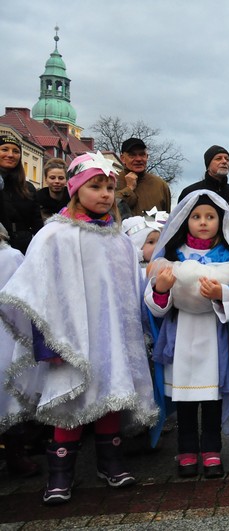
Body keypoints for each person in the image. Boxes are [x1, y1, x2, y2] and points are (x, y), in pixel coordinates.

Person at [0, 151, 158, 504]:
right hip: (68, 340)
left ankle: (111, 463)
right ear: (75, 190)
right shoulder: (55, 235)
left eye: (109, 187)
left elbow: (127, 293)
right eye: (95, 186)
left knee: (110, 399)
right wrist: (46, 340)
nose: (104, 194)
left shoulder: (118, 240)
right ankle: (60, 475)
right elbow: (35, 289)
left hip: (111, 340)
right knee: (68, 405)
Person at [145, 191, 229, 479]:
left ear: (221, 221)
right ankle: (185, 451)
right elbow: (154, 308)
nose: (203, 222)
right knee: (184, 401)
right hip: (180, 336)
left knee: (211, 399)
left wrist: (224, 294)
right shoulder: (171, 256)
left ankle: (211, 451)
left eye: (210, 217)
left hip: (214, 337)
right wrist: (161, 290)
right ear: (186, 221)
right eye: (196, 217)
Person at [0, 222, 40, 478]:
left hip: (5, 332)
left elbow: (23, 294)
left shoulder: (10, 256)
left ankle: (16, 452)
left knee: (8, 387)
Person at [0, 134, 41, 253]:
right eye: (4, 149)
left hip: (24, 249)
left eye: (16, 151)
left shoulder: (28, 188)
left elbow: (37, 224)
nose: (10, 155)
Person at [115, 137, 172, 218]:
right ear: (123, 158)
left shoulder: (160, 185)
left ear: (147, 157)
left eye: (142, 154)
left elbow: (167, 219)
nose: (138, 159)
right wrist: (129, 189)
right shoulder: (112, 182)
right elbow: (110, 209)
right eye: (132, 155)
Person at [178, 145, 229, 212]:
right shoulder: (190, 193)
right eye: (218, 158)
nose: (224, 161)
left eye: (227, 159)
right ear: (208, 164)